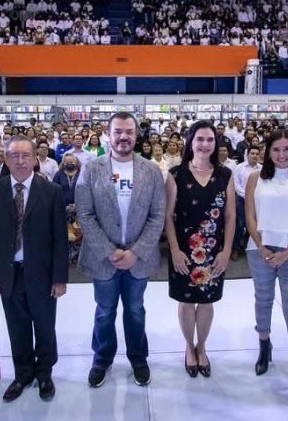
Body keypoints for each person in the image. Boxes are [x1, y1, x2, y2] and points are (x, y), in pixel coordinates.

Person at [76, 112, 166, 388]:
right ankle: (102, 359)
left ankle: (138, 358)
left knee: (136, 310)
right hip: (103, 258)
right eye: (118, 132)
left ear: (136, 135)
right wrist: (109, 250)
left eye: (129, 131)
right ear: (108, 134)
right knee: (105, 310)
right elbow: (84, 213)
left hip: (139, 258)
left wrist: (136, 252)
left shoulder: (150, 170)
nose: (123, 137)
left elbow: (158, 215)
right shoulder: (91, 169)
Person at [0, 135, 68, 402]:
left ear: (34, 159)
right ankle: (23, 374)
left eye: (25, 155)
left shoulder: (51, 191)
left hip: (41, 273)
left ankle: (44, 374)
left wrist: (60, 278)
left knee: (44, 325)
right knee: (16, 327)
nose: (20, 161)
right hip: (8, 273)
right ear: (5, 159)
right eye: (14, 156)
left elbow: (59, 239)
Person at [244, 129, 288, 410]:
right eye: (276, 150)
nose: (282, 155)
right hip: (259, 250)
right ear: (268, 152)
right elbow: (249, 215)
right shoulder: (255, 177)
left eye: (287, 149)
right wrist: (261, 246)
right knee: (262, 301)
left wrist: (287, 252)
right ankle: (265, 345)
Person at [164, 121, 235, 379]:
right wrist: (174, 249)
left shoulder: (225, 174)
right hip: (184, 251)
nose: (205, 144)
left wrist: (227, 250)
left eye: (210, 139)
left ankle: (202, 346)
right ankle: (188, 346)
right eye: (200, 139)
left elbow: (230, 216)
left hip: (214, 252)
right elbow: (168, 216)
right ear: (190, 142)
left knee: (206, 302)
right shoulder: (175, 174)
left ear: (216, 143)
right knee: (186, 302)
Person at [232, 145, 262, 260]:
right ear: (247, 154)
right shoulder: (239, 167)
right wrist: (248, 196)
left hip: (257, 200)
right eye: (252, 153)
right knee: (240, 224)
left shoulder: (262, 169)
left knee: (256, 225)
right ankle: (235, 249)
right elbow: (236, 185)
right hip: (241, 199)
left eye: (256, 154)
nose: (254, 156)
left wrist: (254, 197)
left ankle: (255, 248)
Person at [53, 153, 82, 264]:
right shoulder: (58, 174)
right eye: (67, 162)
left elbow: (85, 189)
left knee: (78, 233)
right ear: (63, 163)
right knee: (65, 233)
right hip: (62, 209)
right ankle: (66, 256)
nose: (70, 164)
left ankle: (77, 256)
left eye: (72, 162)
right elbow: (53, 190)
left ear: (76, 163)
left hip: (79, 209)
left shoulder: (82, 174)